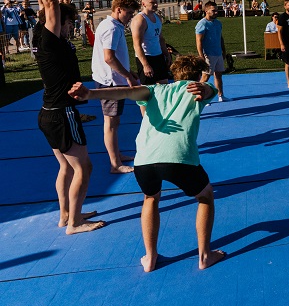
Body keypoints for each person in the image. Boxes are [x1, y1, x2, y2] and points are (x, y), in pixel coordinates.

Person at [68, 55, 225, 272]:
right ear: (198, 75)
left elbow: (126, 92)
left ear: (173, 74)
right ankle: (205, 256)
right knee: (205, 195)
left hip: (144, 160)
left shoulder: (153, 90)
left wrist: (90, 94)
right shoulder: (197, 89)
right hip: (179, 158)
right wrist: (204, 88)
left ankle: (150, 258)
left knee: (151, 198)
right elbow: (208, 90)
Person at [24, 0, 104, 234]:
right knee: (84, 168)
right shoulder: (52, 40)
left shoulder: (42, 37)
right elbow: (50, 4)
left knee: (67, 167)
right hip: (61, 114)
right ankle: (75, 222)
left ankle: (66, 214)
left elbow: (45, 5)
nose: (71, 27)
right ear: (62, 23)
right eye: (70, 23)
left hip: (49, 112)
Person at [91, 0, 141, 174]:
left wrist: (128, 71)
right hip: (110, 82)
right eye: (128, 13)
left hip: (112, 79)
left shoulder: (113, 26)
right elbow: (109, 57)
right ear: (118, 10)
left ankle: (116, 154)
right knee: (111, 123)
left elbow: (115, 56)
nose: (130, 17)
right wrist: (127, 75)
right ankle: (115, 164)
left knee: (114, 121)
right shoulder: (111, 28)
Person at [131, 0, 171, 88]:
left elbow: (160, 39)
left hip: (158, 56)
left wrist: (167, 54)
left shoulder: (158, 18)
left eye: (156, 2)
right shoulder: (140, 20)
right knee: (147, 89)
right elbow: (137, 45)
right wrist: (145, 65)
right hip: (146, 57)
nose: (156, 5)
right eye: (152, 3)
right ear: (143, 4)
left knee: (164, 86)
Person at [195, 1, 229, 102]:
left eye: (216, 10)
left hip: (218, 53)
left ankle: (221, 95)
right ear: (206, 11)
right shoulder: (202, 24)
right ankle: (200, 97)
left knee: (218, 75)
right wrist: (201, 56)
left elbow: (220, 37)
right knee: (205, 76)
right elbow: (199, 41)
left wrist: (223, 50)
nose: (216, 12)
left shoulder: (218, 23)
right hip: (208, 54)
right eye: (213, 11)